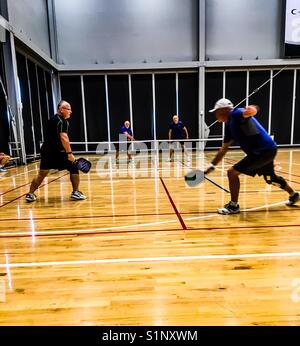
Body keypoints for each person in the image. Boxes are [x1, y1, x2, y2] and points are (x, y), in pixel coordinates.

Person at [205, 98, 299, 214]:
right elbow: (223, 149)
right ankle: (294, 194)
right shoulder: (229, 126)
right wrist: (212, 166)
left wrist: (253, 109)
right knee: (271, 178)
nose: (215, 114)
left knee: (232, 172)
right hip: (268, 150)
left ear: (224, 110)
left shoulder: (236, 114)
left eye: (217, 111)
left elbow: (249, 112)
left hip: (261, 151)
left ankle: (233, 206)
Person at [25, 100, 87, 202]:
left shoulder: (52, 119)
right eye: (68, 109)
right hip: (58, 152)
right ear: (62, 110)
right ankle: (76, 192)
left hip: (47, 151)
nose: (71, 111)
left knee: (42, 173)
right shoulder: (62, 121)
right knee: (74, 168)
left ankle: (30, 194)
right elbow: (64, 138)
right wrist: (69, 154)